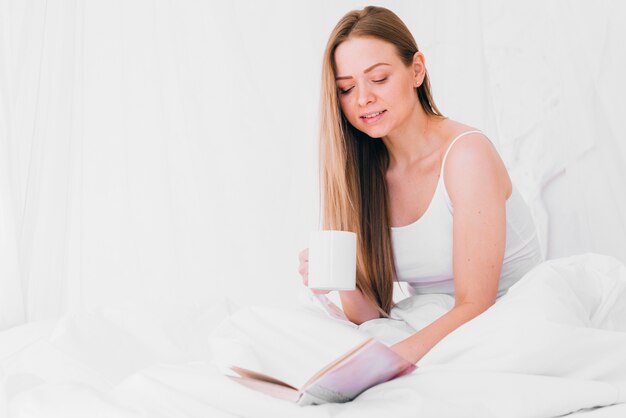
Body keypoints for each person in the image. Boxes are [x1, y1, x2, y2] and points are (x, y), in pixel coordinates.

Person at [297, 5, 543, 364]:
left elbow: (477, 305)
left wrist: (389, 362)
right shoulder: (361, 172)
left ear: (416, 70)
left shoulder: (466, 156)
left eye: (378, 79)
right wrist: (342, 276)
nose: (363, 98)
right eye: (346, 88)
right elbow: (371, 320)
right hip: (430, 323)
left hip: (506, 324)